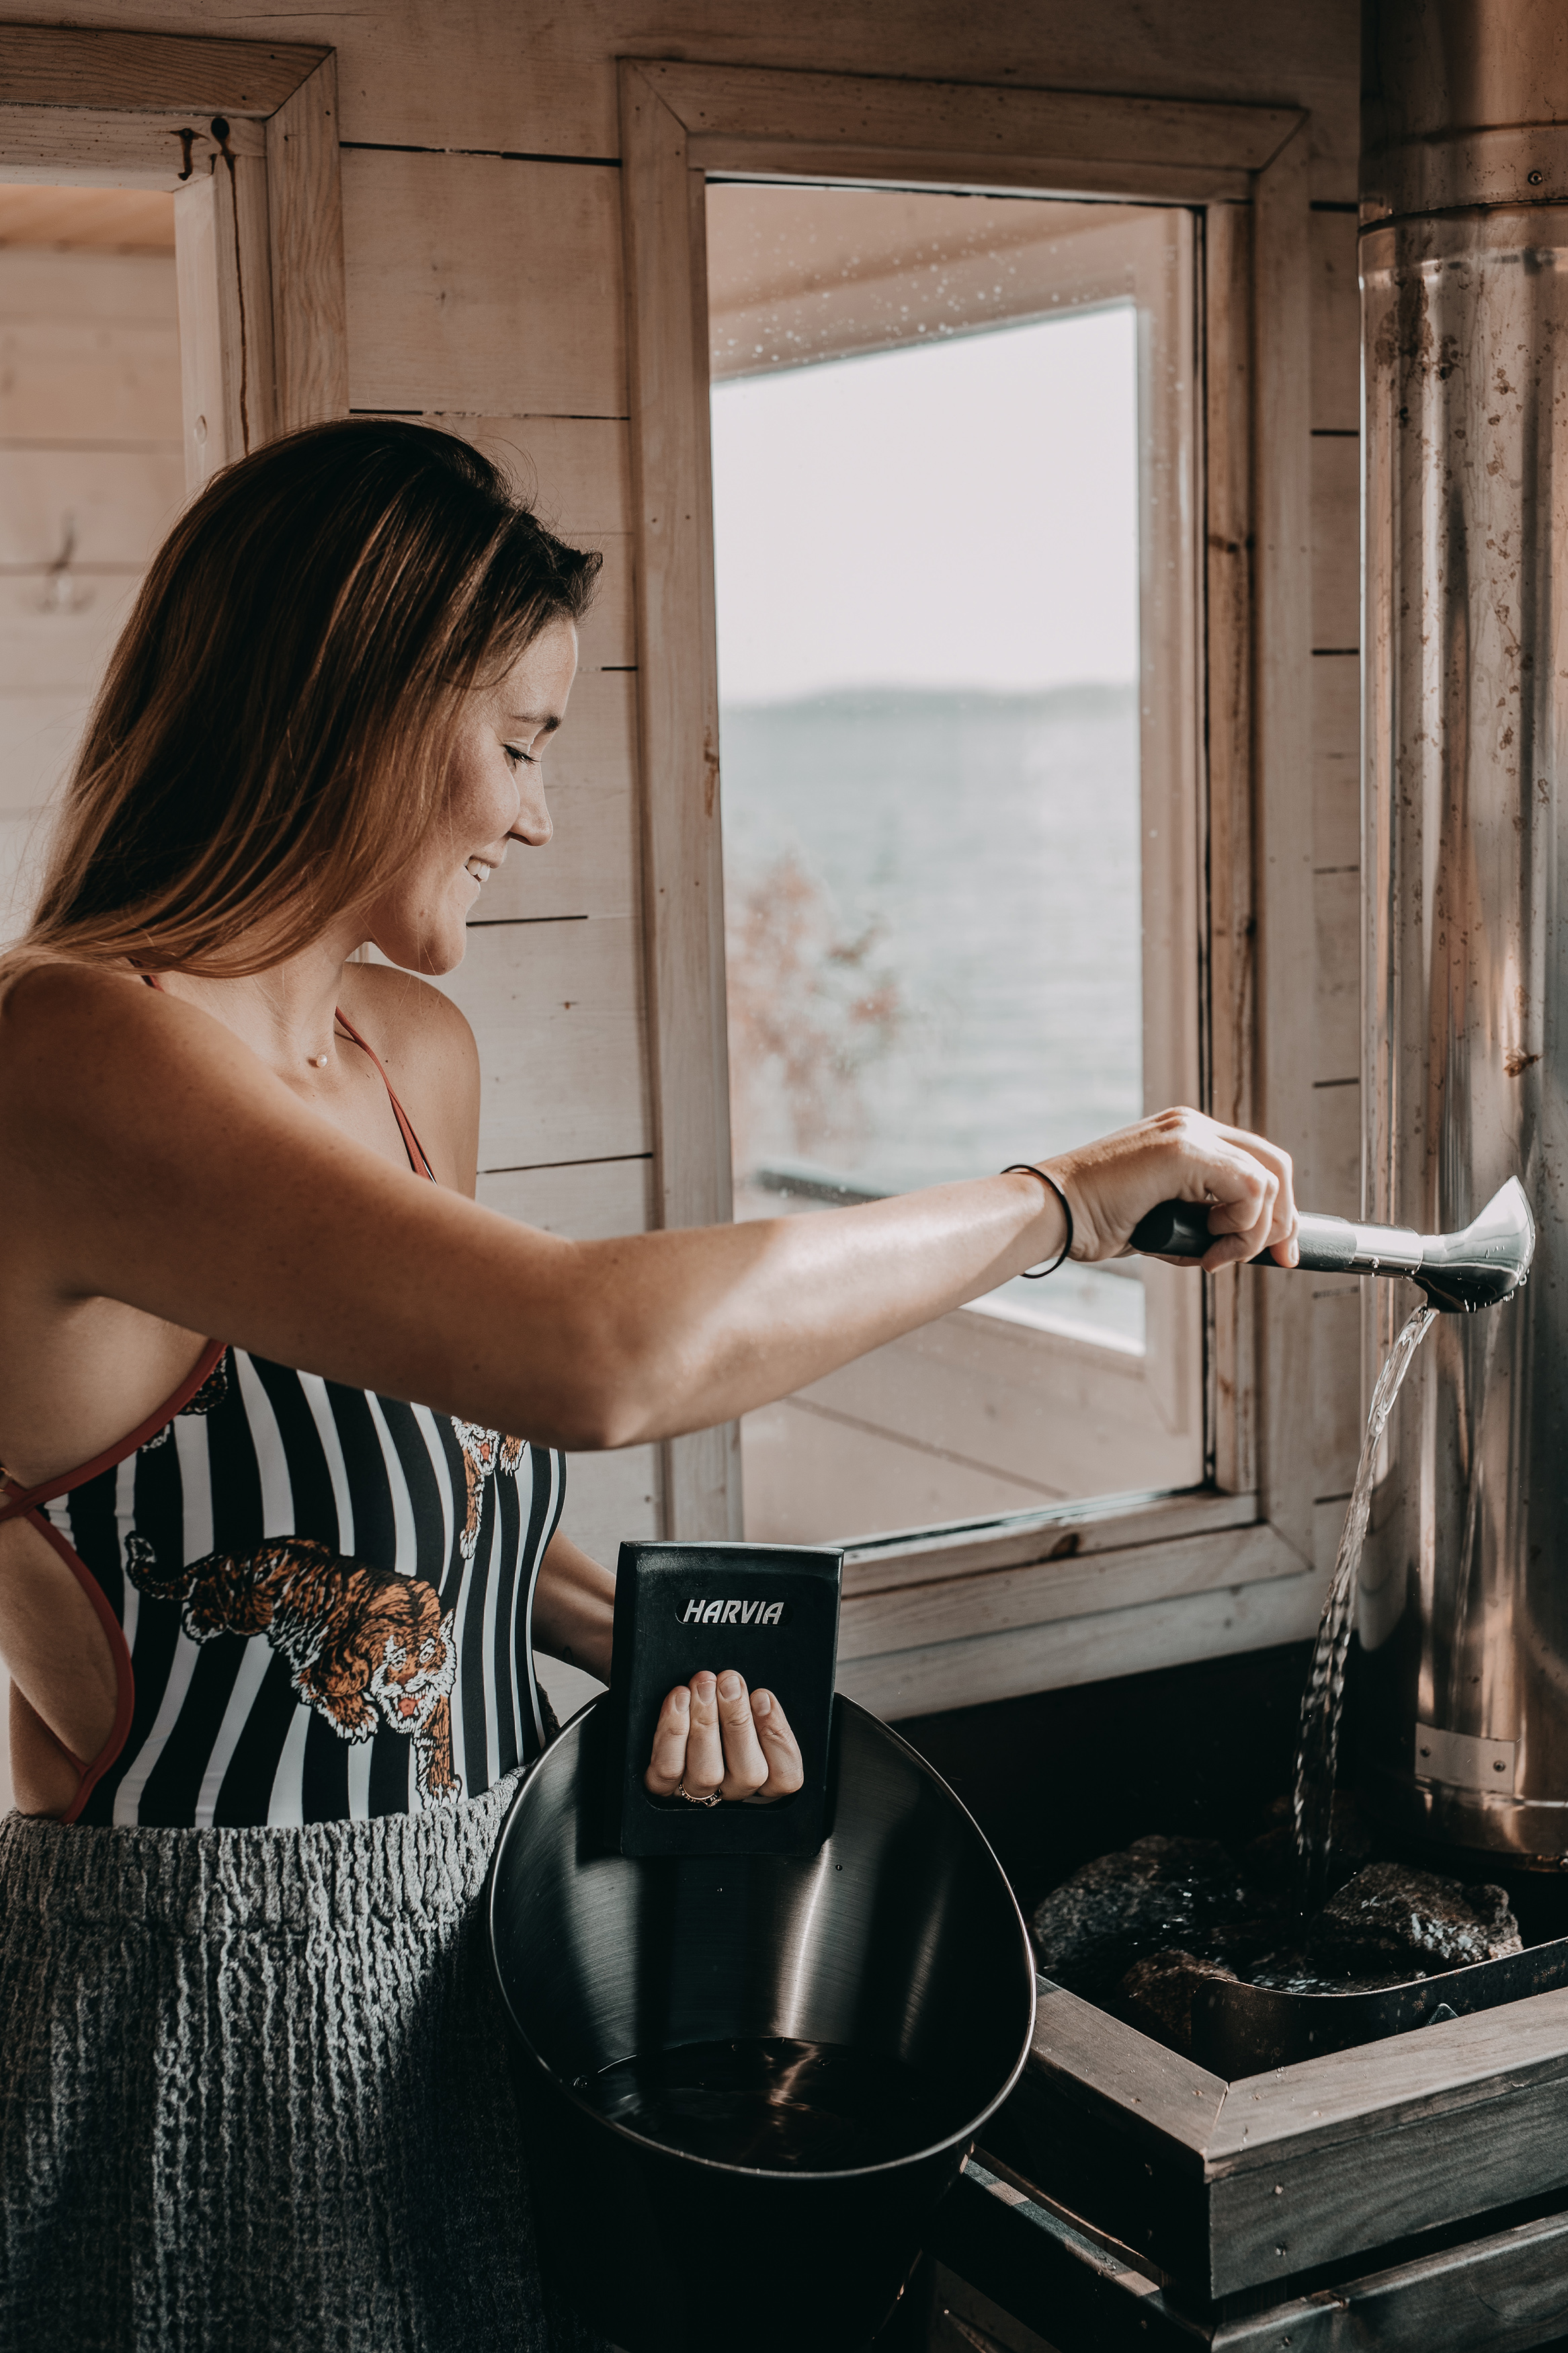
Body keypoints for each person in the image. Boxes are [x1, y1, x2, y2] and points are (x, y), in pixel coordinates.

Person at [0, 419, 1298, 2352]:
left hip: (492, 1960)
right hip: (207, 2020)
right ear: (359, 697)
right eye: (519, 741)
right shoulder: (61, 1056)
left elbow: (405, 1513)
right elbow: (589, 1355)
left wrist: (670, 1659)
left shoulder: (408, 1056)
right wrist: (1058, 1203)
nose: (534, 819)